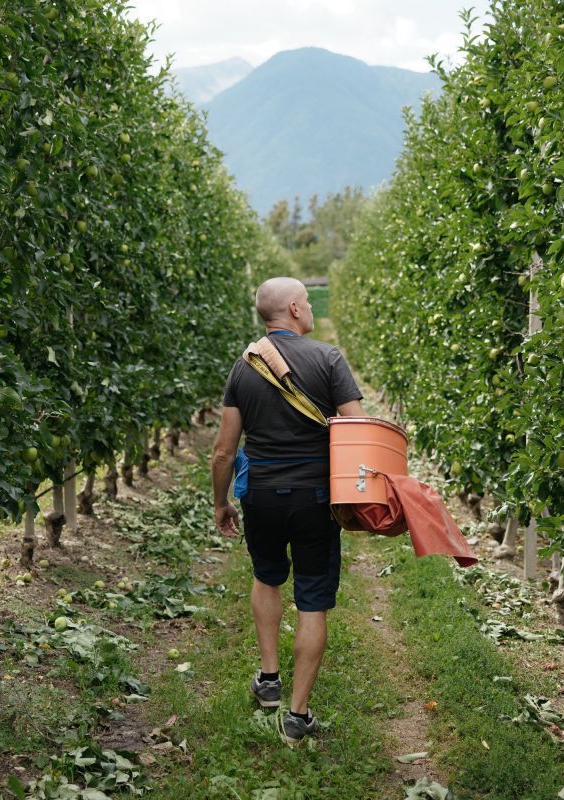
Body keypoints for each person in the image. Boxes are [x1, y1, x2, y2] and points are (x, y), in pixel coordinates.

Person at [211, 277, 365, 745]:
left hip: (260, 492)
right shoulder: (328, 359)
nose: (312, 309)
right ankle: (297, 716)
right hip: (315, 498)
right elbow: (358, 431)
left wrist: (221, 502)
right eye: (309, 302)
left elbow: (222, 451)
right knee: (313, 598)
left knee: (267, 576)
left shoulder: (245, 366)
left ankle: (270, 679)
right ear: (296, 309)